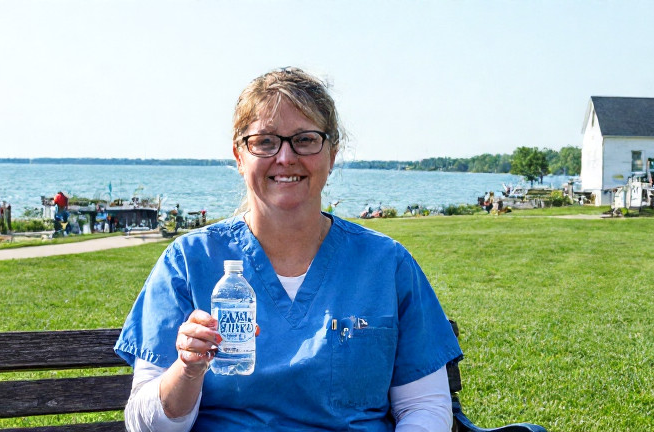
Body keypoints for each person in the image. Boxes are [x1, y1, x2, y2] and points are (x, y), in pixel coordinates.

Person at [115, 67, 462, 432]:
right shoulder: (189, 262)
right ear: (239, 156)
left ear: (332, 154)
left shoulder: (386, 265)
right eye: (265, 141)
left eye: (305, 139)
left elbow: (425, 407)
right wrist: (187, 369)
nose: (285, 157)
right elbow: (146, 426)